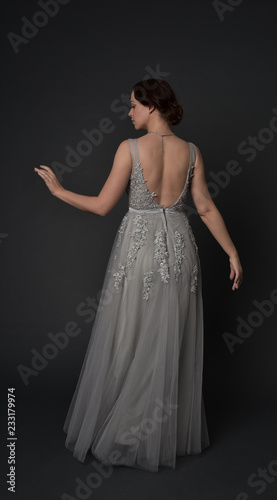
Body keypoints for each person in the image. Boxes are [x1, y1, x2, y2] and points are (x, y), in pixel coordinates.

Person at [34, 78, 243, 473]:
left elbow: (101, 207)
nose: (128, 113)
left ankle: (128, 432)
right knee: (167, 343)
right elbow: (206, 207)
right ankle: (156, 435)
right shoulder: (192, 152)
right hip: (182, 253)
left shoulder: (130, 149)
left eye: (132, 105)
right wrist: (232, 252)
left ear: (151, 106)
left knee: (129, 337)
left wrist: (60, 191)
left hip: (139, 251)